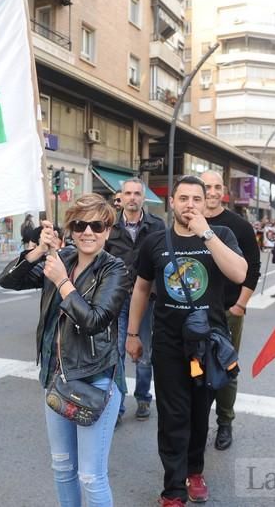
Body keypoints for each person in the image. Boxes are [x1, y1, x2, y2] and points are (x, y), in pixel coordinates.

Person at [0, 193, 128, 507]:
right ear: (70, 229)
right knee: (62, 467)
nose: (88, 231)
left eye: (97, 225)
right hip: (56, 379)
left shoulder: (115, 270)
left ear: (108, 230)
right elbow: (8, 280)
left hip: (95, 379)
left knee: (91, 475)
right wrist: (39, 250)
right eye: (80, 224)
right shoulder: (61, 258)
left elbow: (95, 321)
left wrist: (62, 283)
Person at [127, 175, 247, 506]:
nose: (190, 205)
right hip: (168, 343)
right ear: (172, 203)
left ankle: (195, 470)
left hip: (207, 344)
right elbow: (140, 288)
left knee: (198, 412)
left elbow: (239, 273)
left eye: (197, 198)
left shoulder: (220, 235)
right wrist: (133, 334)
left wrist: (205, 233)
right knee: (172, 415)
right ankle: (174, 489)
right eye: (183, 199)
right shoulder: (155, 241)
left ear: (205, 201)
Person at [200, 171, 261, 450]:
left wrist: (240, 305)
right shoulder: (187, 222)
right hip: (193, 310)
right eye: (205, 187)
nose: (211, 192)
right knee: (193, 367)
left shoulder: (239, 225)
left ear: (223, 191)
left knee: (226, 367)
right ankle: (196, 421)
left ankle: (225, 422)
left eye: (215, 187)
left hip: (228, 309)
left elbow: (253, 270)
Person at [104, 178, 164, 424]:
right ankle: (116, 407)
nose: (132, 197)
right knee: (116, 353)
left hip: (147, 299)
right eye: (128, 193)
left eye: (137, 193)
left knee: (145, 353)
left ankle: (142, 397)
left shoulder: (157, 225)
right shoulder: (108, 227)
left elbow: (163, 262)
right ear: (121, 196)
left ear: (143, 197)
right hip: (117, 300)